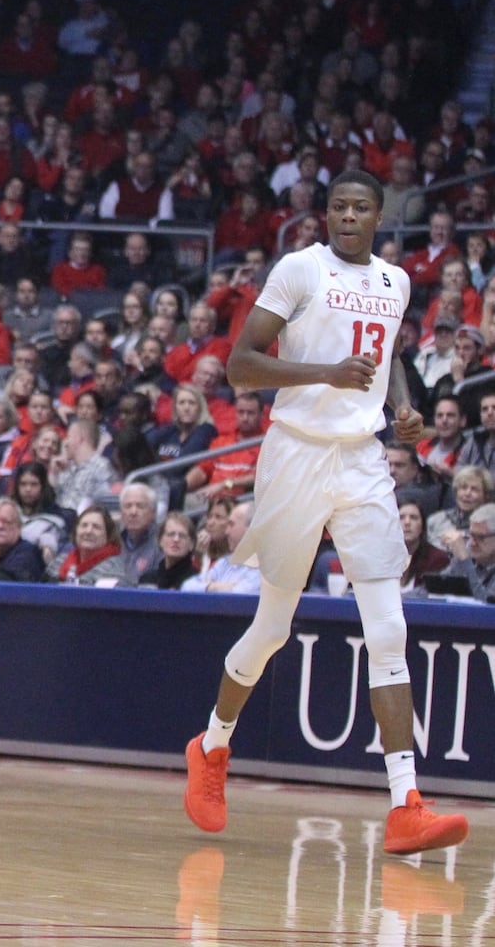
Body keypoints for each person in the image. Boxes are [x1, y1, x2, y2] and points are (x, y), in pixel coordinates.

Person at [181, 170, 468, 856]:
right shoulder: (296, 269)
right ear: (325, 214)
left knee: (389, 628)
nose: (346, 215)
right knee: (272, 626)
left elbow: (385, 358)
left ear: (376, 217)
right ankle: (211, 745)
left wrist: (399, 410)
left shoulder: (394, 282)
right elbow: (241, 367)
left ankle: (406, 804)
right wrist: (322, 374)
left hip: (362, 460)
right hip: (294, 455)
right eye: (336, 205)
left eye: (359, 207)